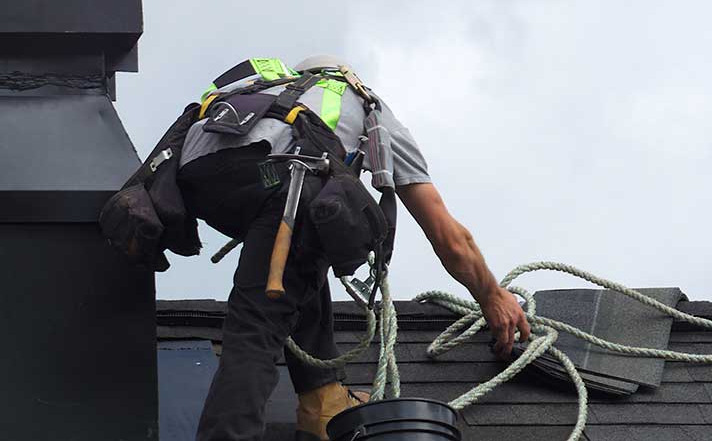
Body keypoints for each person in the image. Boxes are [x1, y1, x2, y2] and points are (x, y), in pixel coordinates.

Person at [175, 55, 530, 441]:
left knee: (303, 255)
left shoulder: (262, 90)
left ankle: (321, 401)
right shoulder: (364, 104)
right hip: (284, 180)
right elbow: (448, 237)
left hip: (201, 181)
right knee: (257, 323)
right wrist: (492, 296)